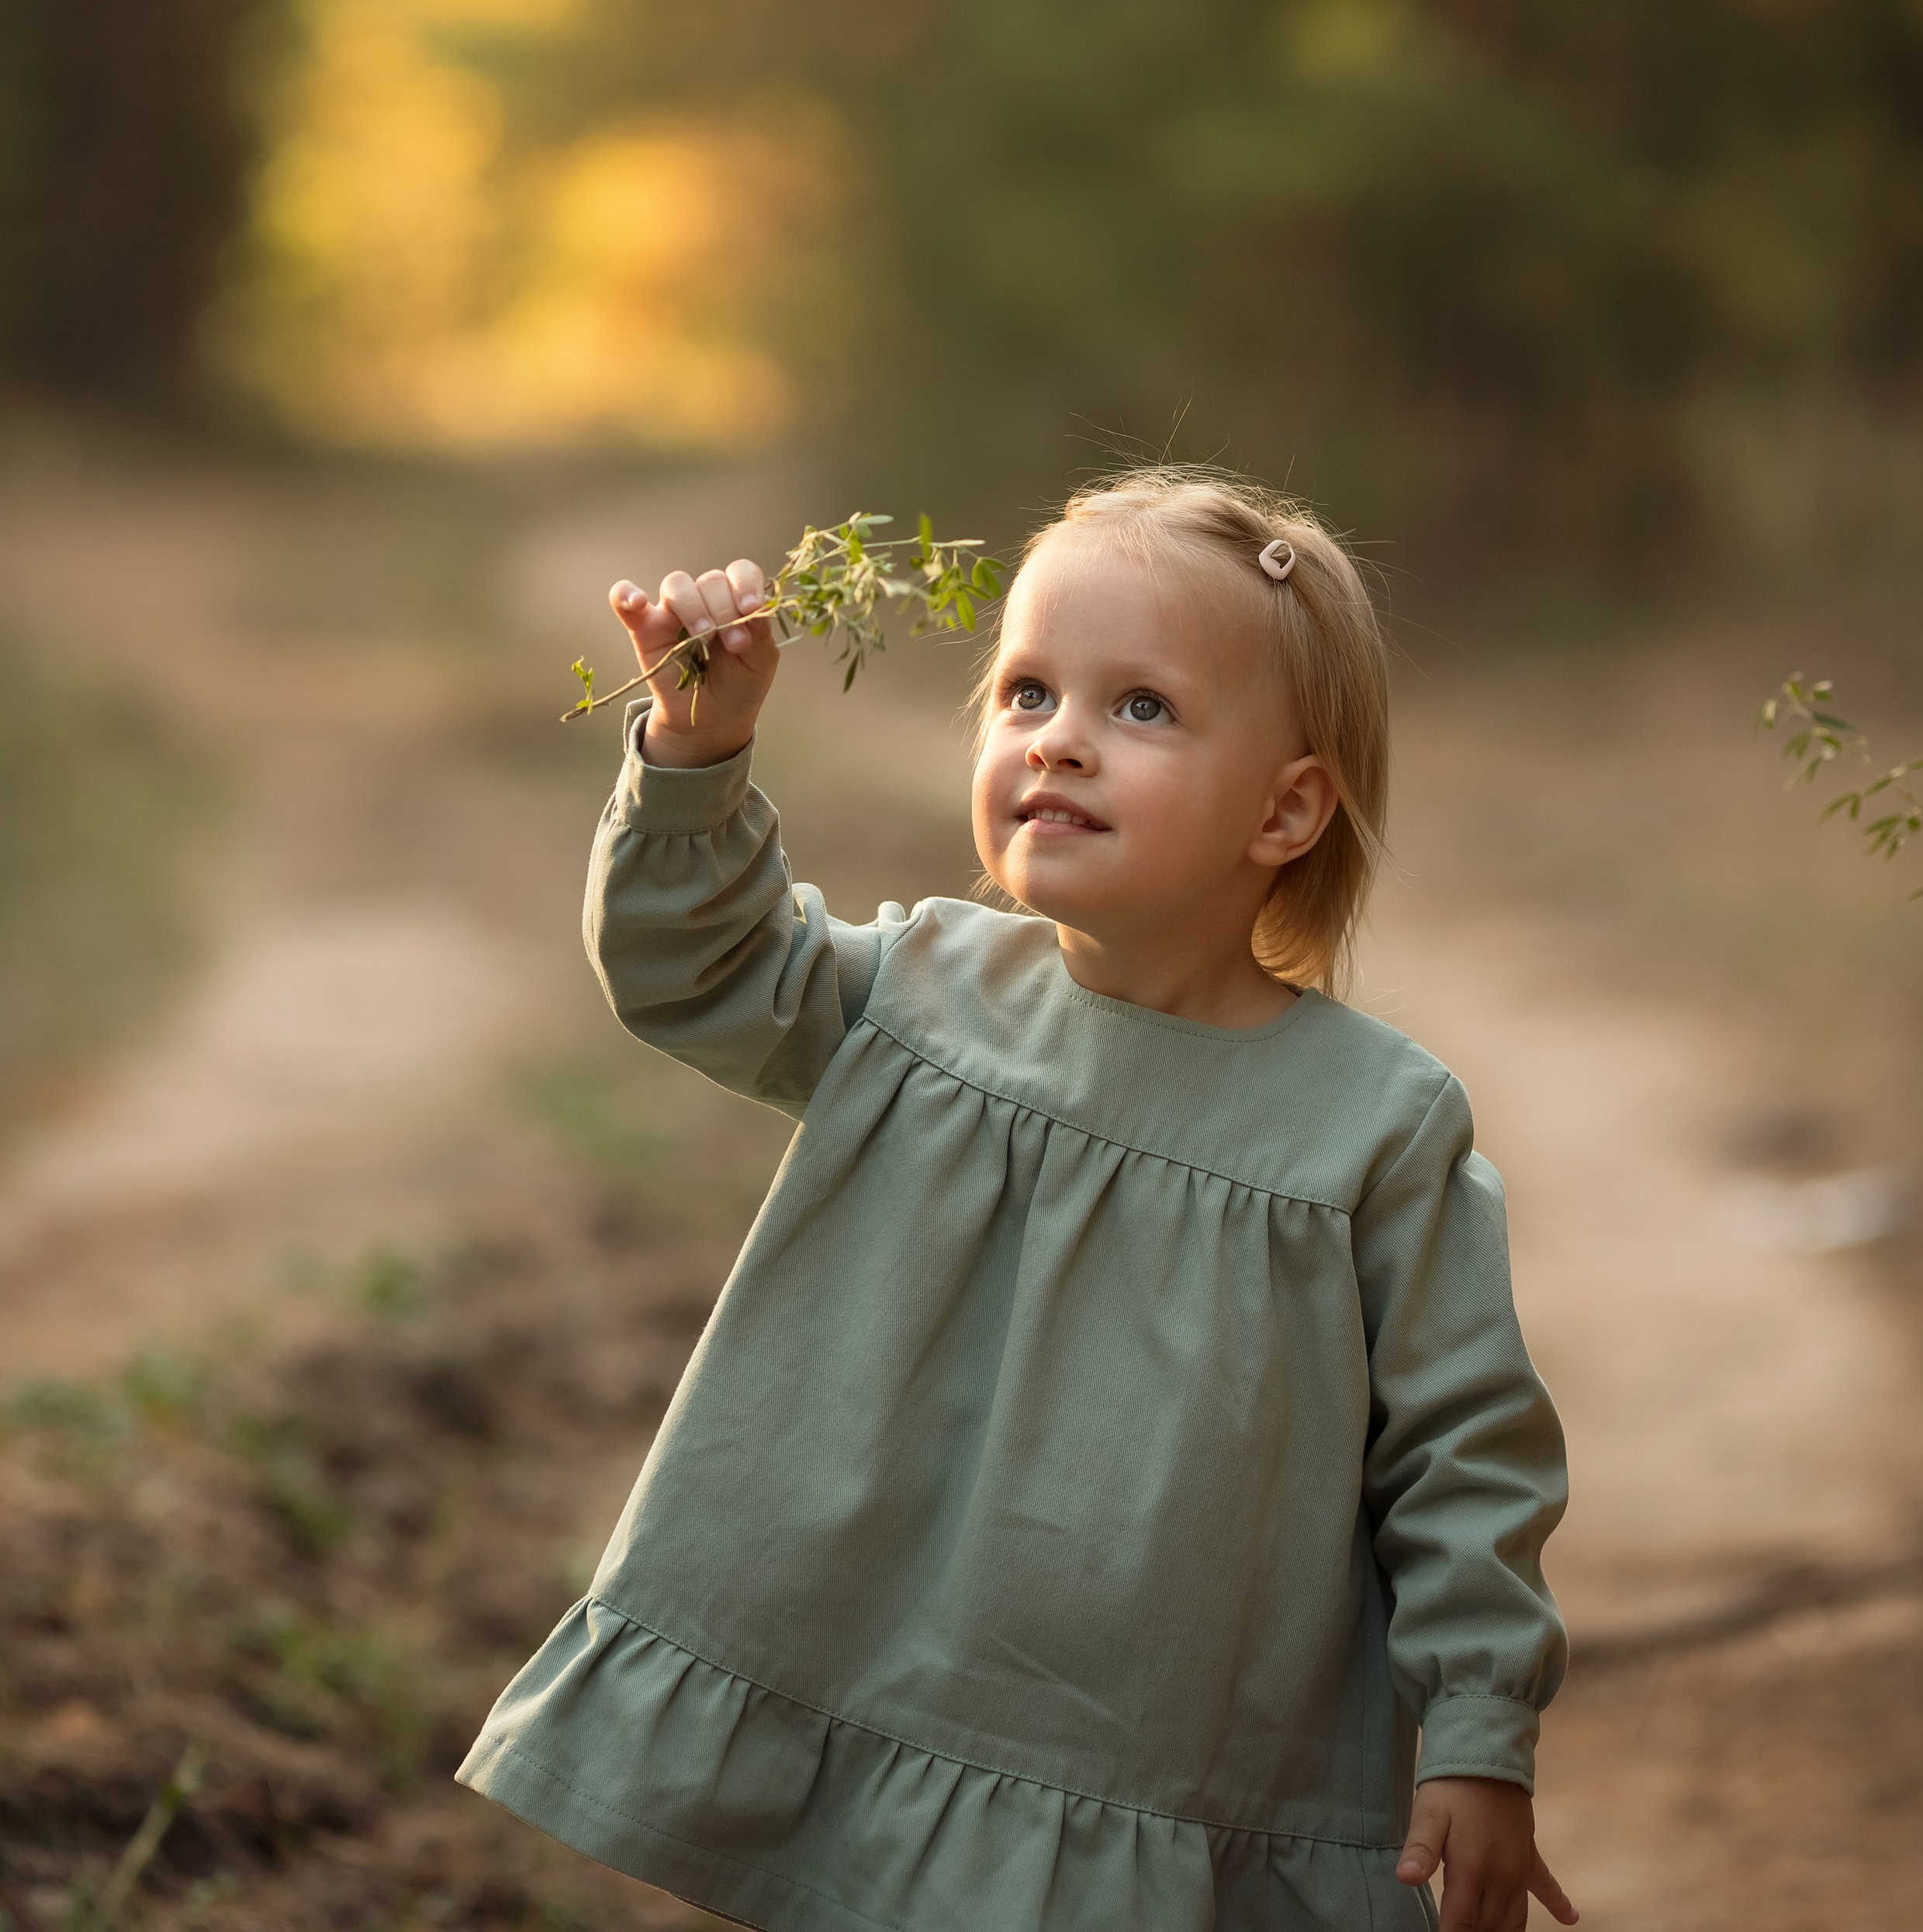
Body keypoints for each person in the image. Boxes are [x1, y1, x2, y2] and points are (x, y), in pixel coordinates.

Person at [460, 466, 1575, 1932]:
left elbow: (1465, 1453)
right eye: (1027, 693)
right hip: (878, 1686)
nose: (1059, 745)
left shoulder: (1372, 1125)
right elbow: (698, 972)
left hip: (1164, 1760)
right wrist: (695, 751)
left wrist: (1482, 1737)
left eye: (1143, 708)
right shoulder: (914, 994)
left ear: (1289, 809)